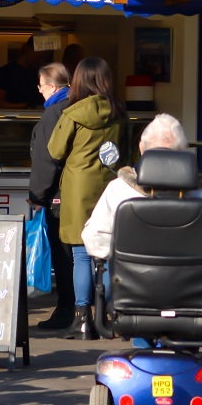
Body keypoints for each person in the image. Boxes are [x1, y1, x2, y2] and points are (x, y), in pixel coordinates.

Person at [46, 56, 126, 340]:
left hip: (78, 190)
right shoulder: (119, 112)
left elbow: (54, 151)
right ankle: (108, 316)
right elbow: (126, 154)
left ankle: (82, 320)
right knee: (105, 253)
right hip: (110, 189)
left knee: (81, 254)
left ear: (78, 81)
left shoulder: (72, 113)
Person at [81, 113, 202, 260]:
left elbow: (94, 240)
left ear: (141, 148)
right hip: (196, 281)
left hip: (132, 280)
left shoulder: (118, 190)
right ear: (182, 152)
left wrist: (129, 255)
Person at [28, 62, 76, 330]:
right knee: (82, 255)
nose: (40, 91)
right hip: (81, 194)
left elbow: (46, 160)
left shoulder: (54, 113)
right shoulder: (79, 106)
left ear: (53, 87)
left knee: (63, 254)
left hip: (59, 194)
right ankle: (84, 308)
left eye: (41, 86)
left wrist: (38, 195)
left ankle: (66, 309)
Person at [0, 39, 43, 109]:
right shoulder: (5, 72)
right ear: (28, 49)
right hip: (11, 116)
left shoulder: (40, 74)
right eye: (39, 53)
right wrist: (26, 106)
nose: (41, 58)